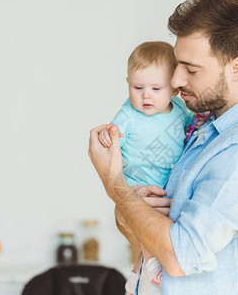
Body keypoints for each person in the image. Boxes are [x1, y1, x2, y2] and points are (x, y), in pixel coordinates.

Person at [89, 0, 238, 294]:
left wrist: (114, 183)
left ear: (236, 67)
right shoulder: (202, 127)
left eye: (191, 69)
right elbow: (139, 230)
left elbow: (178, 256)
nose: (175, 79)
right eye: (176, 64)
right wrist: (128, 204)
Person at [98, 41, 201, 295]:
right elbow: (112, 136)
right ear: (127, 83)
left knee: (161, 227)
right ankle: (151, 264)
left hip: (167, 183)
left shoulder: (178, 110)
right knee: (146, 225)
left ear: (174, 90)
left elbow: (191, 122)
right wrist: (106, 137)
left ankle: (135, 277)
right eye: (137, 87)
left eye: (156, 88)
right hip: (138, 182)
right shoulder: (129, 115)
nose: (146, 95)